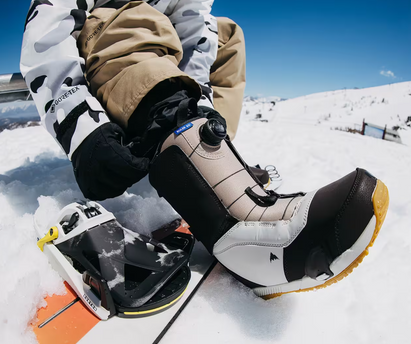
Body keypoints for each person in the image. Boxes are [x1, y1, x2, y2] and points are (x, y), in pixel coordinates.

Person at [21, 0, 389, 297]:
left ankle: (206, 162)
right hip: (97, 55)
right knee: (130, 14)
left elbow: (197, 31)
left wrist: (197, 110)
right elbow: (46, 29)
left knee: (226, 36)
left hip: (152, 64)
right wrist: (81, 128)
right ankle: (229, 216)